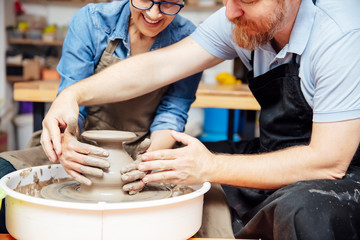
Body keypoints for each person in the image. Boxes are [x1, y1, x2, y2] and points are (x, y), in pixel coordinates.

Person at [41, 0, 360, 239]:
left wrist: (210, 166)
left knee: (299, 213)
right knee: (172, 173)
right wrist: (73, 95)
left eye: (247, 0)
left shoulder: (341, 34)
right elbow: (158, 67)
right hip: (274, 150)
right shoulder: (238, 15)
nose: (231, 12)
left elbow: (328, 162)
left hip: (344, 171)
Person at [0, 0, 205, 234]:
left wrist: (147, 162)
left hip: (147, 148)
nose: (154, 13)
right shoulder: (92, 21)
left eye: (168, 2)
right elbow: (70, 101)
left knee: (211, 204)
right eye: (145, 0)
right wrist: (68, 144)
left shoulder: (189, 38)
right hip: (78, 142)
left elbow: (172, 113)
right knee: (4, 177)